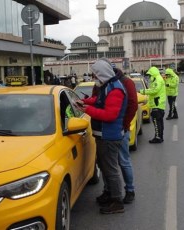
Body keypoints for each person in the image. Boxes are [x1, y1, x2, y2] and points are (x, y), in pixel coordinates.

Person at [76, 58, 127, 214]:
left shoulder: (115, 89)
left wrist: (86, 110)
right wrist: (84, 101)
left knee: (110, 169)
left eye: (95, 75)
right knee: (105, 168)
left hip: (110, 136)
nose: (94, 78)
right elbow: (99, 101)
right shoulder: (107, 86)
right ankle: (109, 193)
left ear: (102, 74)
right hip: (104, 135)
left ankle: (117, 201)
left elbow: (110, 115)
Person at [139, 66, 166, 144]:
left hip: (157, 105)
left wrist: (142, 91)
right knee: (159, 122)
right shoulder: (158, 79)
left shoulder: (157, 79)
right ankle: (160, 137)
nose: (149, 76)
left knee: (157, 122)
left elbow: (154, 90)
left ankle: (158, 137)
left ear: (153, 74)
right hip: (158, 105)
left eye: (150, 75)